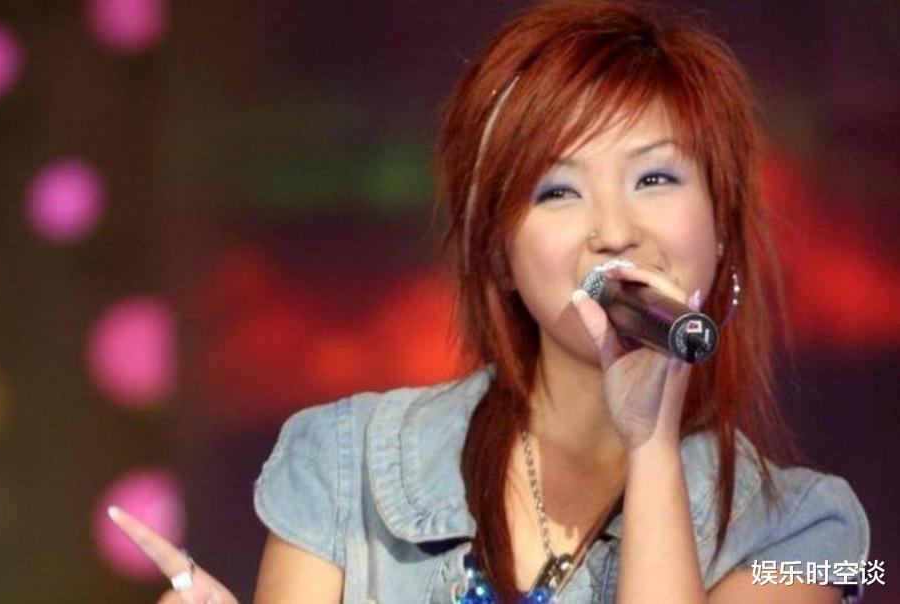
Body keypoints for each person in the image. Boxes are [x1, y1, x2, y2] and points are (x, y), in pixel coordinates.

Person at [109, 1, 872, 602]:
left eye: (653, 178)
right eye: (557, 190)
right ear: (499, 255)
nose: (613, 230)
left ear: (722, 225)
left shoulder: (810, 538)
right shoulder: (342, 465)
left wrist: (650, 449)